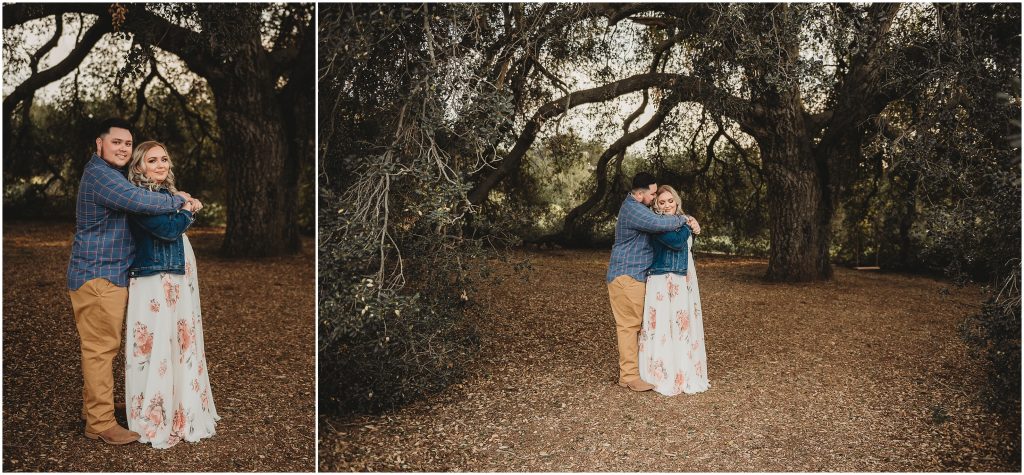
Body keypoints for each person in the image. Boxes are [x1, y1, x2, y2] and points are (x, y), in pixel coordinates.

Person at [67, 118, 190, 445]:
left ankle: (96, 408)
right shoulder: (101, 176)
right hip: (97, 275)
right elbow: (142, 202)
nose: (122, 148)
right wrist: (180, 200)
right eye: (116, 142)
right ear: (99, 144)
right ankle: (99, 423)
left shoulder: (112, 175)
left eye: (127, 143)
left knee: (102, 348)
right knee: (100, 349)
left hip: (108, 275)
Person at [123, 141, 219, 448]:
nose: (161, 164)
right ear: (139, 167)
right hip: (156, 277)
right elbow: (166, 230)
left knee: (180, 338)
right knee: (158, 340)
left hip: (177, 272)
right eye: (152, 160)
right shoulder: (140, 197)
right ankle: (157, 415)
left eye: (164, 158)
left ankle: (184, 408)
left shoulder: (164, 195)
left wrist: (181, 202)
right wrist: (188, 208)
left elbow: (172, 224)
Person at [607, 172, 700, 392]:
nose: (654, 197)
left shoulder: (637, 207)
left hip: (634, 275)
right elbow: (659, 223)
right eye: (652, 194)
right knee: (629, 326)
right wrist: (687, 219)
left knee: (637, 325)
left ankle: (640, 371)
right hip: (627, 275)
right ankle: (629, 376)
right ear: (640, 194)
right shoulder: (634, 209)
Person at [638, 185, 709, 395]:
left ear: (676, 201)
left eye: (670, 201)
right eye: (662, 202)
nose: (667, 205)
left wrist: (691, 223)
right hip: (663, 278)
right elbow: (677, 243)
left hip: (684, 278)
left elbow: (687, 243)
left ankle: (685, 371)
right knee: (663, 326)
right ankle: (663, 374)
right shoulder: (657, 224)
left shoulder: (681, 221)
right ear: (657, 206)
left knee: (682, 327)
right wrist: (689, 223)